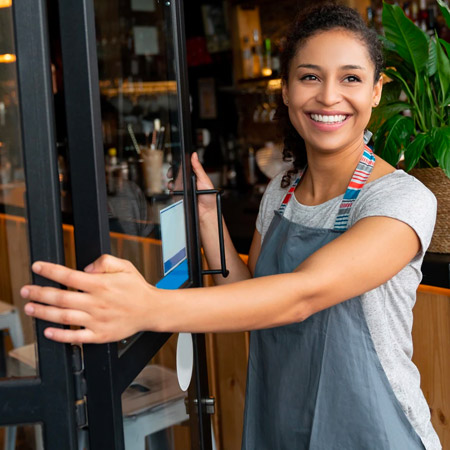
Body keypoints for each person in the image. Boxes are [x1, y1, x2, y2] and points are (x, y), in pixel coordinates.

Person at [20, 4, 441, 449]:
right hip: (279, 422)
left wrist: (147, 307)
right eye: (310, 76)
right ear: (286, 90)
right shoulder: (281, 191)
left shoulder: (400, 199)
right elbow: (254, 296)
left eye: (351, 78)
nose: (329, 96)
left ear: (377, 91)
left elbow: (302, 294)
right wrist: (207, 217)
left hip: (373, 432)